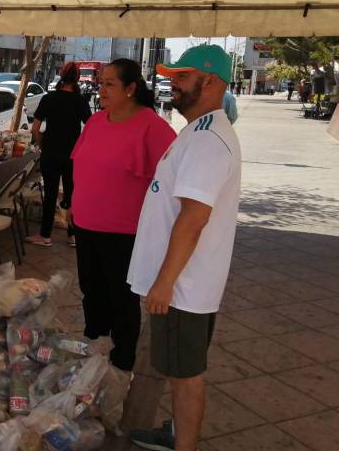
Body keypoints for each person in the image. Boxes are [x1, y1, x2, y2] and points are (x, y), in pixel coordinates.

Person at [128, 45, 241, 451]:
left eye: (181, 76)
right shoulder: (198, 130)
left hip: (183, 288)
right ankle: (178, 433)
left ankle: (185, 445)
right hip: (182, 283)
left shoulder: (209, 140)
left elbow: (194, 217)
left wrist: (164, 282)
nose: (171, 84)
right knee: (179, 368)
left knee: (185, 373)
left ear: (209, 81)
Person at [69, 58, 176, 375]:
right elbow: (80, 163)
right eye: (101, 83)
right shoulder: (96, 122)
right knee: (91, 290)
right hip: (87, 225)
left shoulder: (153, 127)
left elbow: (173, 181)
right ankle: (95, 343)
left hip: (125, 232)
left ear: (131, 89)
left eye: (110, 83)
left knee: (121, 297)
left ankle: (122, 359)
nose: (101, 89)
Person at [27, 61, 91, 247]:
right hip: (73, 155)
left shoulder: (48, 99)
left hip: (51, 153)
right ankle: (72, 236)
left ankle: (45, 236)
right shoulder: (81, 101)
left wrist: (43, 145)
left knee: (51, 193)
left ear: (61, 76)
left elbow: (35, 129)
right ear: (77, 79)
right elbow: (91, 128)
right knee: (72, 194)